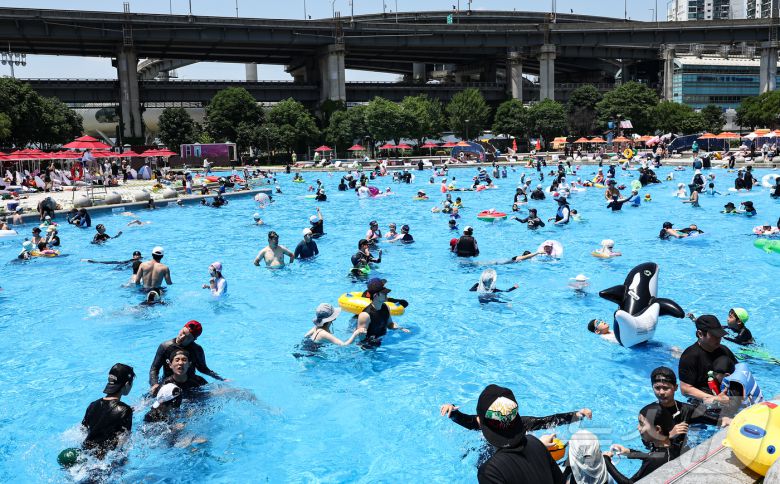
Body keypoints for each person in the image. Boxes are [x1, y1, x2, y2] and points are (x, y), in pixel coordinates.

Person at [446, 385, 567, 483]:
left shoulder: (488, 471)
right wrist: (454, 414)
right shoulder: (534, 442)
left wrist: (574, 415)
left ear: (482, 423)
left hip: (498, 463)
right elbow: (468, 420)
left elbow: (546, 420)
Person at [148, 320, 224, 395]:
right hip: (169, 383)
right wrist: (154, 384)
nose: (182, 337)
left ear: (193, 340)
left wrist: (221, 379)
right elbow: (154, 368)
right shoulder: (165, 346)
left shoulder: (196, 350)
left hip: (190, 385)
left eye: (187, 337)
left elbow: (203, 368)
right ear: (182, 328)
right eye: (183, 332)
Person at [678, 315, 737, 404]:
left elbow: (739, 370)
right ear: (700, 334)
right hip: (703, 401)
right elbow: (685, 389)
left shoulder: (724, 350)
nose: (719, 338)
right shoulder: (690, 356)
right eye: (714, 335)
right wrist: (715, 398)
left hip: (724, 396)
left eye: (720, 334)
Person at [81, 363, 135, 459]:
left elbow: (83, 430)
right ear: (127, 384)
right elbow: (124, 442)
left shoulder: (92, 405)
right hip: (104, 460)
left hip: (86, 454)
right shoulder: (125, 410)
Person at [356, 278, 409, 349]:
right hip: (369, 345)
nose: (386, 294)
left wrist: (400, 328)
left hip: (382, 339)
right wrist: (366, 338)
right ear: (375, 295)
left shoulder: (386, 307)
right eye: (384, 293)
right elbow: (361, 339)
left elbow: (390, 324)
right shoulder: (365, 315)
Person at [299, 303, 366, 353]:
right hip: (313, 354)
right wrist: (356, 333)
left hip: (307, 349)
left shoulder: (316, 327)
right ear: (333, 318)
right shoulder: (323, 334)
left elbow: (306, 336)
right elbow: (344, 345)